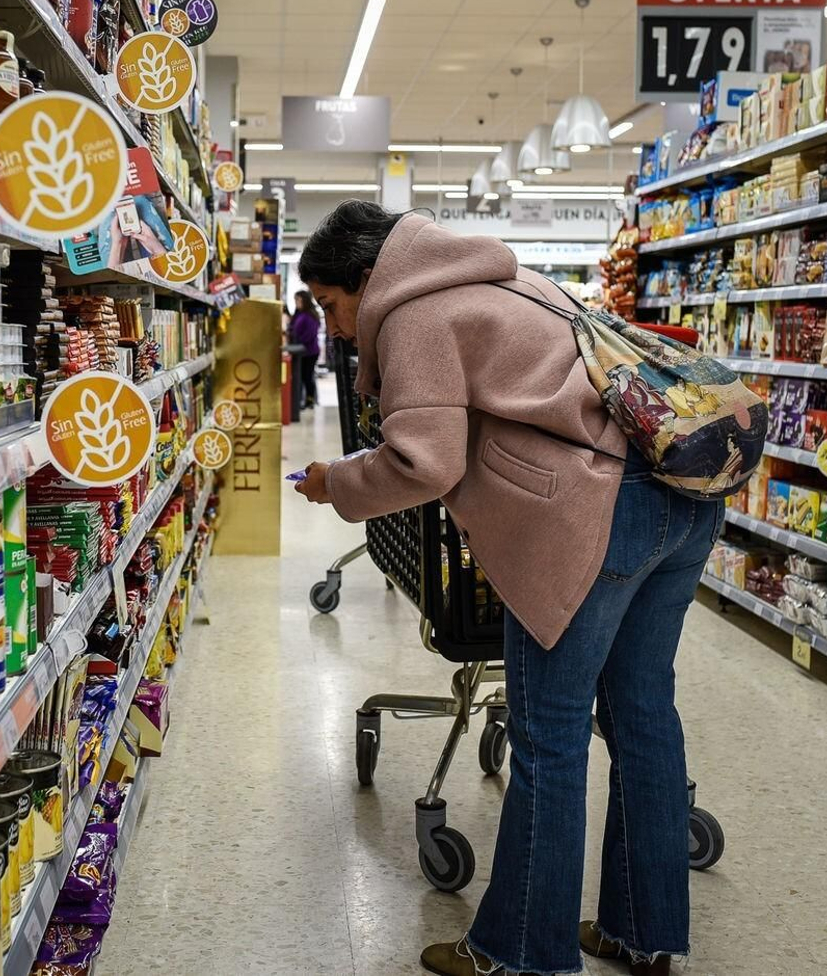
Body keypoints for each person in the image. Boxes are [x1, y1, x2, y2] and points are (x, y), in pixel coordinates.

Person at [293, 201, 721, 976]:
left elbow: (425, 462)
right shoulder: (507, 277)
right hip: (681, 495)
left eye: (332, 306)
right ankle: (643, 932)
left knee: (550, 738)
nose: (338, 328)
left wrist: (334, 482)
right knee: (643, 716)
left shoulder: (413, 311)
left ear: (367, 277)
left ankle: (520, 951)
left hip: (594, 513)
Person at [290, 289, 323, 411]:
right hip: (303, 351)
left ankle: (309, 400)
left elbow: (309, 335)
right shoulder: (300, 314)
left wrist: (298, 340)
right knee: (304, 376)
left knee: (307, 376)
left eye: (298, 300)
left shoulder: (310, 316)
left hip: (309, 352)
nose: (296, 302)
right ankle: (306, 399)